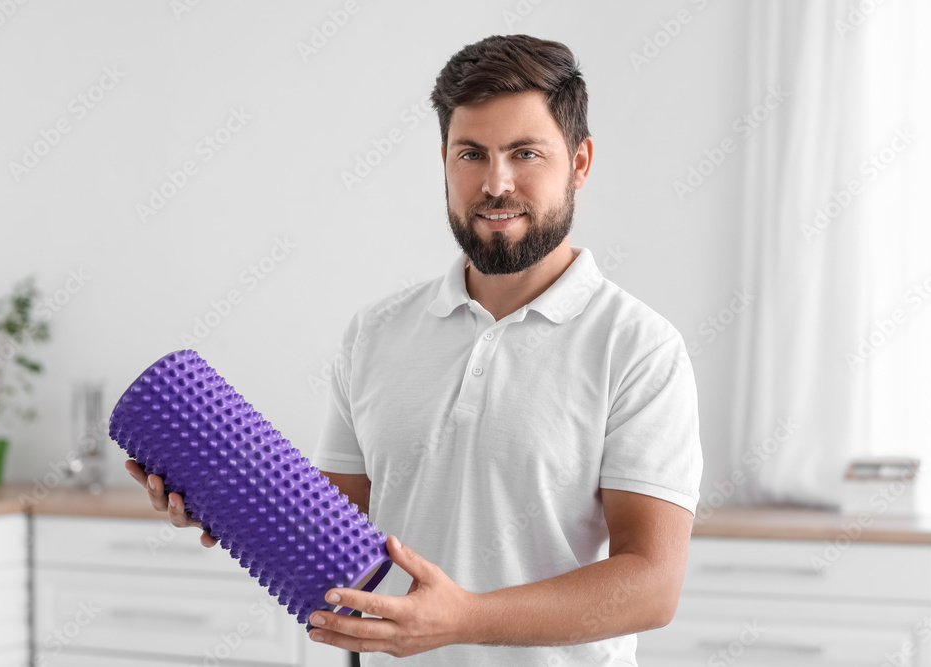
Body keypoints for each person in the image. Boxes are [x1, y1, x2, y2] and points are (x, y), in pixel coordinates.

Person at [126, 33, 703, 666]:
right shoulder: (376, 333)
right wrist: (222, 503)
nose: (495, 183)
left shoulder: (639, 348)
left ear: (581, 162)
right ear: (445, 160)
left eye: (526, 153)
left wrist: (465, 619)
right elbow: (329, 533)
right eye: (471, 154)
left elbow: (652, 583)